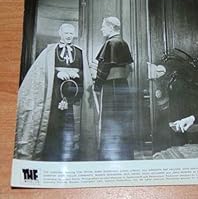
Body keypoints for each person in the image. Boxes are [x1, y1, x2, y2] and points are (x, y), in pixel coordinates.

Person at [14, 24, 98, 161]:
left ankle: (72, 156)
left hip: (74, 94)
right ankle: (52, 154)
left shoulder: (79, 51)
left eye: (71, 33)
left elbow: (85, 74)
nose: (69, 36)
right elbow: (42, 73)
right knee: (53, 124)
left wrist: (77, 74)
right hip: (54, 95)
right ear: (60, 33)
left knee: (72, 125)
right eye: (66, 33)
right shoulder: (50, 51)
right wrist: (57, 73)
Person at [94, 17, 134, 160]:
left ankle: (108, 157)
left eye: (103, 26)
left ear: (111, 28)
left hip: (111, 87)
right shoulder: (124, 43)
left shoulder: (110, 43)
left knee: (110, 120)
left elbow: (103, 69)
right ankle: (125, 155)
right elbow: (130, 68)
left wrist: (97, 85)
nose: (101, 29)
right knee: (123, 120)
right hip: (123, 86)